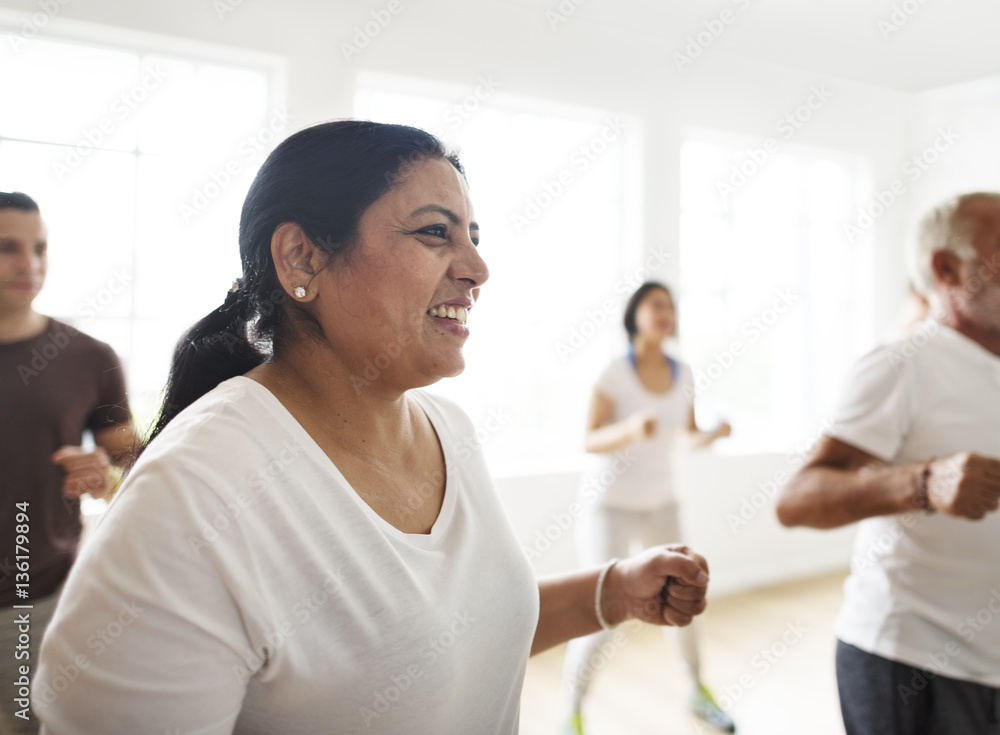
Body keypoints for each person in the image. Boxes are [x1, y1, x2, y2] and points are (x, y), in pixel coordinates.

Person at [32, 121, 711, 734]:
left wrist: (612, 590)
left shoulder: (451, 430)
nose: (477, 268)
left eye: (474, 237)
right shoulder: (194, 493)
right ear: (301, 259)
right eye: (434, 232)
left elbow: (438, 636)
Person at [776, 192, 1000, 735]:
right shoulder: (903, 363)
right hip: (915, 662)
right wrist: (922, 483)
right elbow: (796, 498)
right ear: (947, 268)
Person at [560, 281, 734, 734]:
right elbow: (589, 439)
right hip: (610, 507)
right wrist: (632, 429)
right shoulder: (615, 371)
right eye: (657, 305)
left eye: (671, 307)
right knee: (598, 614)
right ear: (636, 313)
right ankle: (572, 712)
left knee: (687, 595)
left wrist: (712, 435)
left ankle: (697, 690)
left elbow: (686, 434)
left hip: (661, 503)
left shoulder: (684, 373)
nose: (666, 313)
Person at [0, 192, 134, 735]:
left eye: (39, 249)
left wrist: (104, 474)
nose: (28, 264)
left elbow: (136, 463)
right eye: (7, 247)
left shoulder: (89, 358)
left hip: (37, 596)